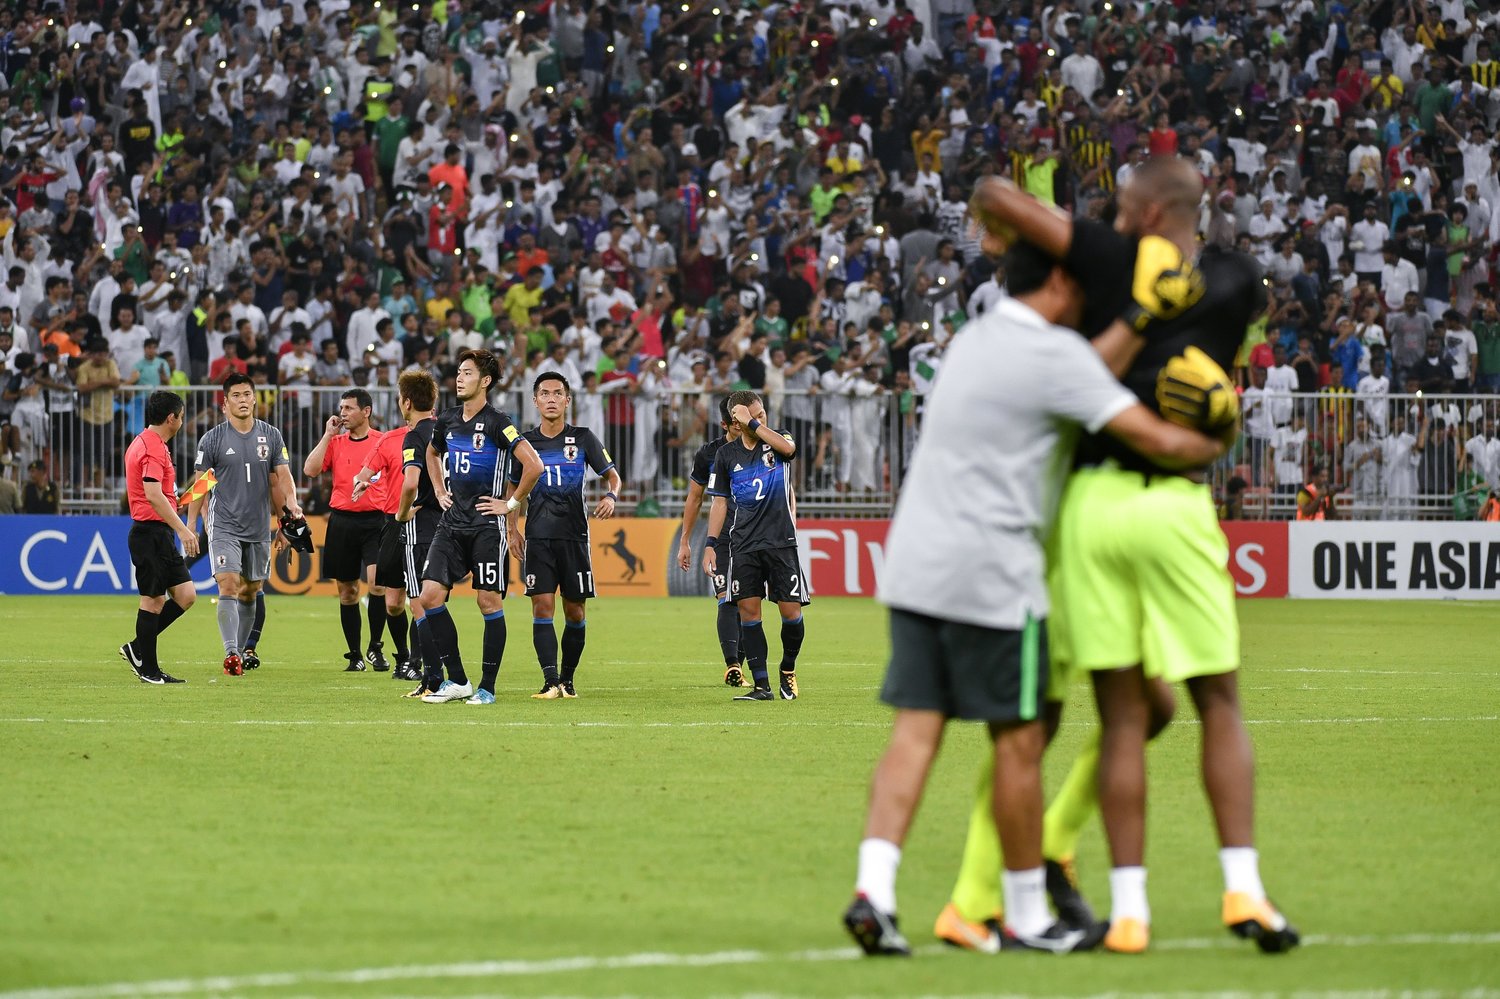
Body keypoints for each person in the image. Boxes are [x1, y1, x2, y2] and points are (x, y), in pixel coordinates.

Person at [841, 240, 1229, 957]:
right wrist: (1215, 434)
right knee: (1020, 742)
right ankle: (1024, 914)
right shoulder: (1054, 355)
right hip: (993, 569)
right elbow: (1154, 437)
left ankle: (875, 890)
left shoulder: (975, 338)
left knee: (916, 731)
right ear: (1057, 281)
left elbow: (1086, 368)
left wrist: (1133, 322)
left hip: (916, 558)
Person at [962, 163, 1299, 956]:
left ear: (1144, 213)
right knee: (1217, 701)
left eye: (1120, 210)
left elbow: (996, 194)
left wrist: (1016, 224)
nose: (1112, 220)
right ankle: (1243, 887)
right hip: (1178, 499)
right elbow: (1227, 343)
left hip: (1090, 504)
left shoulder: (1105, 257)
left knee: (1120, 713)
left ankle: (1130, 911)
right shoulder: (1234, 280)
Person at [418, 349, 543, 704]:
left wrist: (510, 505)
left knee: (487, 601)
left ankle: (487, 687)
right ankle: (458, 680)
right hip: (452, 523)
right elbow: (431, 453)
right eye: (459, 372)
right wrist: (439, 489)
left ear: (485, 381)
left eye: (468, 373)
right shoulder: (446, 419)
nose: (459, 378)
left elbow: (534, 466)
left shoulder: (498, 422)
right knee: (429, 597)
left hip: (487, 526)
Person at [507, 371, 621, 701]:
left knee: (575, 612)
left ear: (567, 400)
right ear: (535, 401)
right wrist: (512, 528)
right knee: (542, 607)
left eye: (558, 393)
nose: (551, 399)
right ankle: (550, 681)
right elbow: (513, 489)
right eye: (545, 393)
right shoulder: (525, 444)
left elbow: (614, 477)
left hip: (574, 537)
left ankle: (567, 681)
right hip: (538, 538)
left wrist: (611, 496)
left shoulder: (583, 438)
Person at [185, 374, 302, 675]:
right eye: (236, 395)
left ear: (254, 399)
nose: (242, 400)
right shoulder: (212, 439)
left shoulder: (271, 435)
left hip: (258, 526)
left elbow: (281, 479)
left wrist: (287, 514)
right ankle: (231, 652)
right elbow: (201, 483)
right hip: (224, 524)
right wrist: (191, 522)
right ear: (225, 404)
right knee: (228, 583)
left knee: (251, 590)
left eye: (247, 394)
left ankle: (237, 653)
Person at [702, 389, 808, 702]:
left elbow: (789, 449)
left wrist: (754, 424)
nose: (761, 419)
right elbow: (720, 502)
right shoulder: (726, 455)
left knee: (791, 613)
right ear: (735, 421)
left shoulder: (778, 439)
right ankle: (762, 686)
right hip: (743, 544)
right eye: (753, 415)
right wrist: (710, 544)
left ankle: (788, 668)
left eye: (762, 414)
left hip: (780, 541)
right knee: (749, 613)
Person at [303, 389, 391, 672]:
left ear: (366, 411)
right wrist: (327, 435)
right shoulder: (336, 442)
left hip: (376, 521)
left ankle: (375, 647)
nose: (343, 413)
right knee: (348, 592)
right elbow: (310, 470)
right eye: (341, 408)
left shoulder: (382, 442)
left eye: (349, 408)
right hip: (342, 521)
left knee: (377, 583)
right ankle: (355, 655)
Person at [119, 391, 199, 684]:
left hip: (157, 532)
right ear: (171, 418)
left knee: (186, 595)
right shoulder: (153, 447)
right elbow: (152, 494)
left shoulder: (145, 442)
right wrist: (183, 529)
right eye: (182, 416)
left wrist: (178, 503)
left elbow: (159, 494)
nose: (182, 421)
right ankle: (149, 671)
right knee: (152, 601)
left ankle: (137, 648)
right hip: (151, 533)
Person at [677, 398, 748, 687]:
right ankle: (733, 665)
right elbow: (695, 498)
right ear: (724, 425)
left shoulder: (763, 446)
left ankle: (742, 667)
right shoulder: (709, 454)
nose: (743, 426)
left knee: (748, 601)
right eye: (737, 424)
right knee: (725, 597)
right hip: (722, 536)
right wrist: (685, 541)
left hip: (755, 534)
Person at [386, 371, 446, 699]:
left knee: (419, 604)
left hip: (420, 527)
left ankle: (433, 678)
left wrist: (400, 514)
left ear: (407, 402)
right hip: (449, 525)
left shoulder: (415, 437)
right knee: (437, 603)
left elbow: (410, 482)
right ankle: (440, 675)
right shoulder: (449, 430)